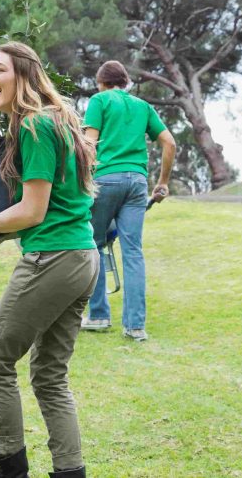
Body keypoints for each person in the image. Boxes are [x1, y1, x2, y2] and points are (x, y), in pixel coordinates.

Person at [0, 42, 99, 478]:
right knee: (49, 376)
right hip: (82, 256)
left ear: (23, 74)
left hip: (53, 258)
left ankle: (11, 470)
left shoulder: (35, 127)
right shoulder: (60, 120)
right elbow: (47, 207)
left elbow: (33, 211)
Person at [79, 60, 176, 341]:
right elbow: (169, 143)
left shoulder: (99, 101)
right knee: (133, 251)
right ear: (125, 82)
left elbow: (88, 144)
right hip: (137, 182)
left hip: (106, 180)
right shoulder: (142, 106)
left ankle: (98, 315)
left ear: (101, 83)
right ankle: (135, 326)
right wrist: (163, 182)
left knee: (93, 244)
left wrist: (80, 180)